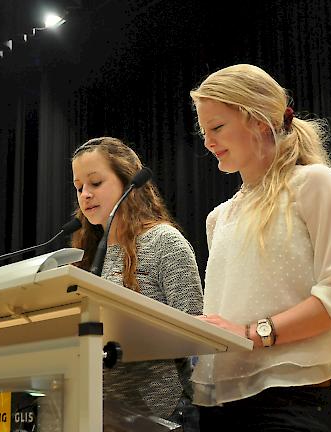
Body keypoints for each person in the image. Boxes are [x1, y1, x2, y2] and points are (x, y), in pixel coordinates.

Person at [189, 64, 331, 432]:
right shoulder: (218, 218)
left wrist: (254, 334)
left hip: (294, 398)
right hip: (223, 403)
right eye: (204, 131)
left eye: (217, 127)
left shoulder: (315, 184)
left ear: (257, 120)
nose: (208, 141)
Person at [70, 137, 204, 431]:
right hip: (98, 416)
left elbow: (197, 338)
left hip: (162, 416)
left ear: (128, 182)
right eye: (79, 187)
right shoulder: (86, 259)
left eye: (95, 183)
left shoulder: (164, 243)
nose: (85, 195)